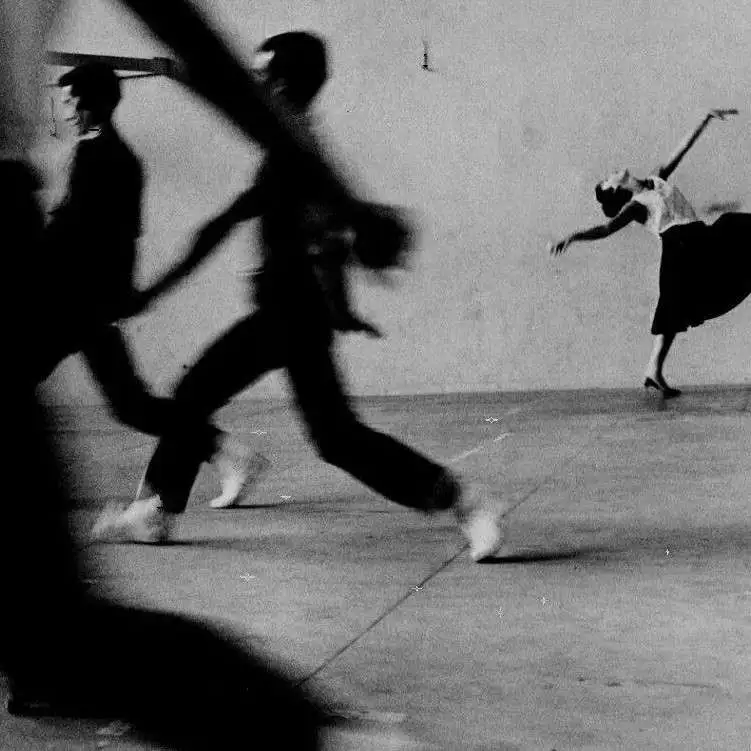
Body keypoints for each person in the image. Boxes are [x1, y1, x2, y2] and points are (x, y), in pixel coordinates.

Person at [0, 3, 432, 746]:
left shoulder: (114, 160)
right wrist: (342, 199)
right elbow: (204, 57)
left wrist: (339, 207)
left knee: (51, 632)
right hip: (27, 245)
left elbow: (201, 57)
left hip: (32, 248)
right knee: (48, 633)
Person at [92, 31, 510, 563]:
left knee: (206, 399)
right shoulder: (295, 147)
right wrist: (341, 307)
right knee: (331, 436)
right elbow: (326, 240)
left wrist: (153, 291)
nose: (258, 85)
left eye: (265, 75)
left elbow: (236, 228)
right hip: (292, 313)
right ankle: (464, 500)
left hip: (287, 314)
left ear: (286, 84)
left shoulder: (293, 154)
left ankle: (156, 510)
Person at [550, 109, 750, 397]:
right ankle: (654, 371)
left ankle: (653, 371)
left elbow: (683, 149)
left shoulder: (657, 179)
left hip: (698, 237)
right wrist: (572, 237)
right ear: (615, 189)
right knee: (673, 309)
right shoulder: (636, 206)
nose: (612, 172)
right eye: (607, 179)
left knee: (732, 228)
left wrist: (705, 119)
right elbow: (606, 229)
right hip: (680, 249)